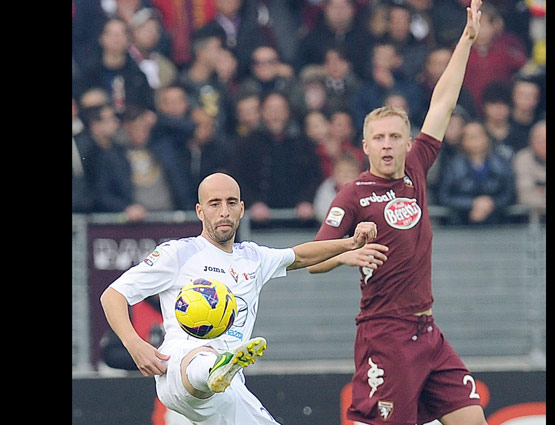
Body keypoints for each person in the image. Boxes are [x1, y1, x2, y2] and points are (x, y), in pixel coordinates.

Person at [307, 1, 489, 424]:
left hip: (428, 333)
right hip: (385, 336)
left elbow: (442, 102)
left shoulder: (417, 167)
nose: (387, 144)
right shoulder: (353, 195)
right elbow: (313, 261)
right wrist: (348, 252)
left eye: (394, 136)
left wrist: (466, 41)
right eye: (379, 138)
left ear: (408, 143)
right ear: (365, 146)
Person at [99, 172, 381, 425]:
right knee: (201, 357)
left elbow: (300, 255)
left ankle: (222, 369)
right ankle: (214, 367)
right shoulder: (178, 254)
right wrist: (134, 344)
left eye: (231, 202)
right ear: (200, 211)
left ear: (242, 208)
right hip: (178, 372)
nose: (224, 211)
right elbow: (112, 295)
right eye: (214, 204)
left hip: (227, 391)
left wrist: (349, 244)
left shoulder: (254, 258)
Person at [232, 91, 323, 223]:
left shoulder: (304, 144)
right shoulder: (247, 144)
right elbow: (237, 177)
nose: (275, 114)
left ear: (288, 112)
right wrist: (252, 202)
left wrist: (306, 200)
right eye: (271, 109)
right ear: (262, 112)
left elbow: (315, 176)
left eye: (280, 109)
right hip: (257, 221)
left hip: (299, 220)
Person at [437, 120, 515, 225]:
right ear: (462, 140)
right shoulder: (452, 166)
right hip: (460, 222)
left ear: (487, 138)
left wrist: (490, 203)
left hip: (498, 222)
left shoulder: (502, 163)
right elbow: (444, 196)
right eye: (469, 136)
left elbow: (509, 193)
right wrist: (473, 203)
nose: (474, 139)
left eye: (478, 135)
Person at [513, 119, 546, 215]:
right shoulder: (522, 158)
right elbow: (525, 196)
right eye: (540, 140)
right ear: (531, 142)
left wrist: (541, 191)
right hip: (530, 217)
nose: (544, 144)